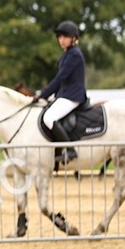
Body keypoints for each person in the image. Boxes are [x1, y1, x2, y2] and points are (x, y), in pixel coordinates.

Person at [35, 20, 87, 164]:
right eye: (59, 37)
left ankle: (70, 150)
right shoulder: (66, 54)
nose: (61, 40)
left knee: (49, 118)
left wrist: (42, 95)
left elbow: (60, 78)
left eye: (65, 37)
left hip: (73, 95)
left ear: (74, 38)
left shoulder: (74, 54)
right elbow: (62, 81)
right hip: (65, 94)